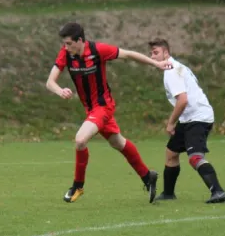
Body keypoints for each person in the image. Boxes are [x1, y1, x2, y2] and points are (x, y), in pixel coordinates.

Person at [46, 22, 172, 204]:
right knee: (118, 143)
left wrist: (156, 64)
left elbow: (128, 55)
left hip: (103, 107)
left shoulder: (98, 50)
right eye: (64, 44)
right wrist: (60, 90)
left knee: (81, 140)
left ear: (80, 40)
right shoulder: (66, 54)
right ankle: (147, 176)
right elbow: (50, 81)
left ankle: (77, 186)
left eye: (68, 43)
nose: (65, 47)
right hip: (91, 110)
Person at [148, 38, 225, 203]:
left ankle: (218, 192)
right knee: (171, 153)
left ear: (166, 52)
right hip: (189, 118)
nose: (152, 56)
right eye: (151, 53)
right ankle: (169, 194)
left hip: (198, 117)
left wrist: (170, 123)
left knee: (195, 157)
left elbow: (183, 100)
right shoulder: (176, 67)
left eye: (156, 52)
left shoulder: (171, 71)